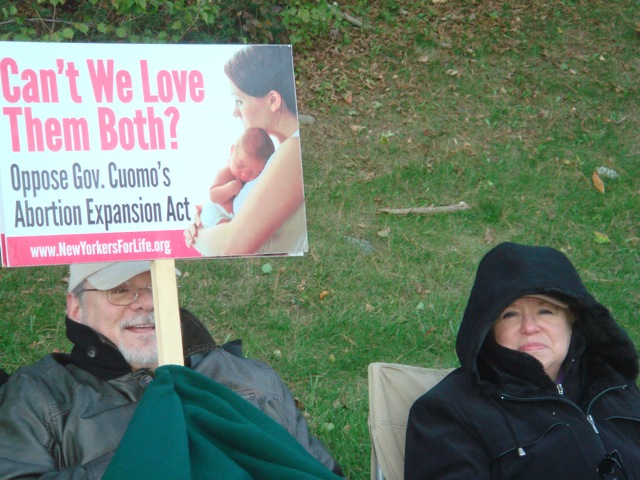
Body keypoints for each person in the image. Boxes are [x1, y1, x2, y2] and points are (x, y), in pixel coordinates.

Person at [0, 261, 343, 478]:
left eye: (155, 285)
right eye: (120, 290)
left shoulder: (250, 380)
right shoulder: (37, 398)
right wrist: (160, 451)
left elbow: (321, 472)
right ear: (76, 307)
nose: (145, 302)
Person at [405, 242, 640, 480]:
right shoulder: (448, 410)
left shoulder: (616, 388)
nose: (529, 327)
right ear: (489, 328)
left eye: (545, 311)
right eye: (510, 314)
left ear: (571, 320)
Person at [184, 45, 307, 256]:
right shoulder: (281, 155)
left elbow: (231, 246)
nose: (235, 112)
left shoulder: (294, 151)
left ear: (273, 100)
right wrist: (211, 215)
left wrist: (200, 235)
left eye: (239, 101)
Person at [199, 127, 274, 228]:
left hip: (230, 218)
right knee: (229, 229)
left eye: (253, 172)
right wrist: (230, 188)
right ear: (232, 151)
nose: (245, 174)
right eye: (241, 165)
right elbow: (213, 195)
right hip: (216, 212)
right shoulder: (226, 171)